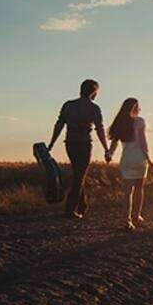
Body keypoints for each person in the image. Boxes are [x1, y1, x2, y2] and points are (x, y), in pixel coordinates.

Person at [47, 79, 111, 219]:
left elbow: (59, 124)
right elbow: (99, 129)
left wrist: (51, 143)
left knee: (78, 173)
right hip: (84, 143)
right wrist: (106, 148)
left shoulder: (68, 105)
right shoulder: (94, 108)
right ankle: (69, 210)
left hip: (70, 143)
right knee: (79, 176)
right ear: (94, 92)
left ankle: (83, 205)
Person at [107, 97, 153, 230]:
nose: (139, 110)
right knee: (139, 189)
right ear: (135, 108)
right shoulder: (140, 122)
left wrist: (110, 155)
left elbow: (114, 143)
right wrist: (149, 159)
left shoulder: (119, 123)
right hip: (139, 159)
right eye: (138, 107)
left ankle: (127, 220)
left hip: (126, 160)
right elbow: (143, 142)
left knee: (128, 192)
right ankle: (136, 215)